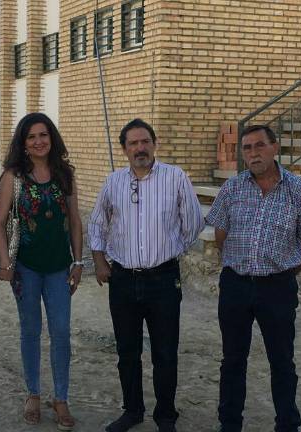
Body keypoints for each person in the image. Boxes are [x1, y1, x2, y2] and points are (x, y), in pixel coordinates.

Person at [206, 124, 301, 432]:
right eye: (246, 148)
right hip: (236, 284)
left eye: (259, 145)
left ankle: (287, 424)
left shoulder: (297, 189)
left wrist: (285, 271)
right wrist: (242, 263)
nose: (253, 153)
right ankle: (229, 424)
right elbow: (221, 236)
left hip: (277, 287)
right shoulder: (232, 188)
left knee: (282, 360)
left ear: (275, 148)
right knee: (232, 360)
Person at [89, 118, 205, 432]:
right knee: (127, 353)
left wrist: (172, 249)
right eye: (133, 143)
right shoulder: (113, 182)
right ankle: (133, 411)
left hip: (163, 280)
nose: (140, 148)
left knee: (165, 352)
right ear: (124, 149)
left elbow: (193, 221)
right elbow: (98, 224)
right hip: (123, 280)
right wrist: (100, 261)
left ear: (154, 144)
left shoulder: (175, 177)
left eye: (145, 141)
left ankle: (165, 416)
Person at [0, 112, 83, 431]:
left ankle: (61, 398)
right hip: (26, 269)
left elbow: (74, 220)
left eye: (43, 135)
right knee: (30, 331)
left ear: (52, 138)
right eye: (31, 137)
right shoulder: (13, 176)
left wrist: (78, 262)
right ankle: (32, 393)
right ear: (23, 143)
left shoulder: (64, 174)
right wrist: (5, 263)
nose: (38, 141)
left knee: (61, 332)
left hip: (59, 268)